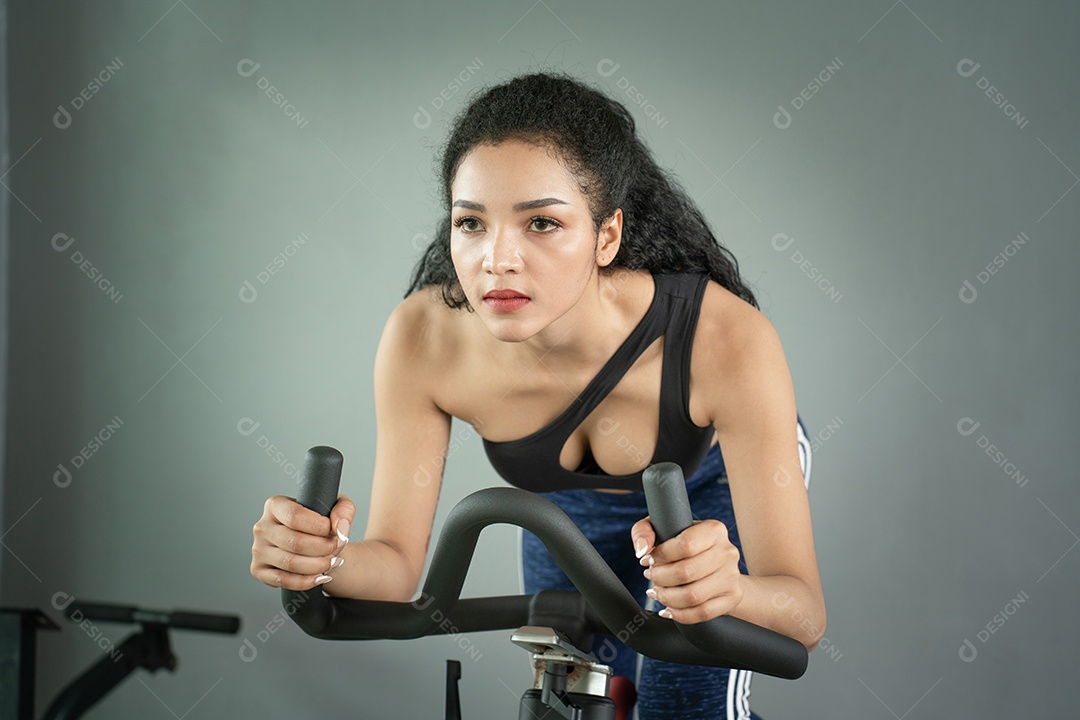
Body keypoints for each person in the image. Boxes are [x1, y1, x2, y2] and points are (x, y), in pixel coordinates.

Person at [250, 70, 825, 719]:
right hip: (565, 515)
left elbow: (802, 615)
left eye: (542, 224)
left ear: (607, 235)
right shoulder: (425, 339)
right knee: (575, 698)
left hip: (711, 493)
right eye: (471, 223)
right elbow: (395, 568)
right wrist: (320, 559)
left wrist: (730, 591)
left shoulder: (724, 341)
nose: (497, 259)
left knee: (677, 697)